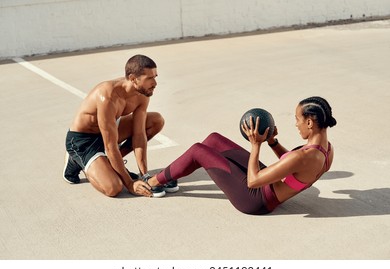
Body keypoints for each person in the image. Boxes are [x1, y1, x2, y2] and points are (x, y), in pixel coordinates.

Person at [143, 96, 336, 214]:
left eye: (297, 119)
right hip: (264, 185)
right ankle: (169, 178)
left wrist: (256, 145)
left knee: (197, 151)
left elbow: (253, 181)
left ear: (309, 123)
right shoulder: (327, 150)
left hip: (255, 200)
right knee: (213, 139)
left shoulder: (303, 157)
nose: (296, 124)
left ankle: (151, 183)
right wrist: (272, 142)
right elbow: (294, 164)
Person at [63, 54, 178, 198]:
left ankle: (107, 163)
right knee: (114, 187)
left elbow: (139, 134)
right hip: (82, 141)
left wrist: (145, 175)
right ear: (132, 79)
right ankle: (78, 160)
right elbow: (110, 146)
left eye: (155, 76)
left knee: (156, 120)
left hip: (108, 132)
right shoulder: (107, 96)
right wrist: (129, 183)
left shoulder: (142, 92)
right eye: (149, 78)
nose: (155, 83)